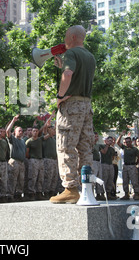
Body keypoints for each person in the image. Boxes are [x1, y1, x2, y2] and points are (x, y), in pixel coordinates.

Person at [49, 25, 96, 204]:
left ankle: (70, 188)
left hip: (72, 105)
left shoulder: (72, 53)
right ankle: (87, 188)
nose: (65, 39)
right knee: (84, 147)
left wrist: (60, 97)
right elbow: (77, 75)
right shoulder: (90, 57)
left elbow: (68, 74)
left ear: (74, 36)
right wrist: (63, 65)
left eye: (67, 36)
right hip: (86, 105)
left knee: (66, 145)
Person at [6, 115, 26, 202]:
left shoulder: (23, 141)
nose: (21, 132)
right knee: (12, 179)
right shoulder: (13, 140)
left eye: (22, 131)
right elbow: (7, 131)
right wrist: (13, 121)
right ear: (15, 132)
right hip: (14, 161)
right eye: (19, 131)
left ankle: (18, 195)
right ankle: (10, 195)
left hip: (21, 163)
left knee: (21, 179)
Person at [116, 132, 139, 200]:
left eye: (129, 142)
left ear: (131, 142)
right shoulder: (124, 148)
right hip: (125, 166)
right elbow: (117, 142)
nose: (127, 143)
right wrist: (121, 135)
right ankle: (126, 194)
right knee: (125, 180)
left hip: (132, 165)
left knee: (134, 180)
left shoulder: (135, 149)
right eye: (126, 142)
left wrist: (135, 163)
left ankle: (136, 193)